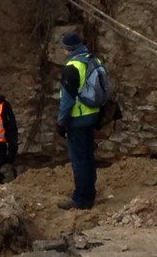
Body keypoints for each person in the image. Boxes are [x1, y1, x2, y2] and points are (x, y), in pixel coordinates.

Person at [56, 31, 101, 210]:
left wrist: (61, 122)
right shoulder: (92, 60)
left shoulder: (72, 66)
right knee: (88, 156)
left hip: (78, 118)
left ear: (68, 48)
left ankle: (81, 199)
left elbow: (67, 100)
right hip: (92, 115)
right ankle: (90, 192)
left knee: (79, 159)